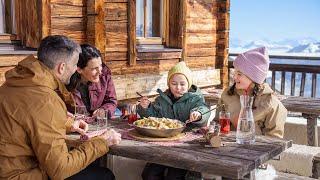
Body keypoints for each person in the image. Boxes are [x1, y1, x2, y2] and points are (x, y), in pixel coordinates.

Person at [0, 35, 121, 180]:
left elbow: (28, 118)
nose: (75, 69)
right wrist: (102, 142)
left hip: (7, 170)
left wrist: (68, 124)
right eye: (75, 64)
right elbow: (60, 169)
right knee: (104, 175)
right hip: (22, 175)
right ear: (62, 67)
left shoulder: (11, 86)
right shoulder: (46, 99)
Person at [137, 61, 210, 180]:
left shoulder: (195, 99)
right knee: (149, 174)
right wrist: (146, 108)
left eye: (182, 84)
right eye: (174, 83)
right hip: (163, 145)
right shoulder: (162, 100)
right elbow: (153, 116)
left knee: (174, 176)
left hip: (186, 146)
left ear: (188, 84)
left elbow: (204, 109)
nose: (178, 87)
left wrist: (199, 114)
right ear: (169, 84)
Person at [215, 47, 287, 138]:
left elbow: (274, 139)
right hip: (227, 147)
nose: (234, 77)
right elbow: (216, 122)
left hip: (257, 150)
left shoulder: (271, 104)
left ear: (253, 78)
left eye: (239, 74)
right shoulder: (227, 94)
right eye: (235, 72)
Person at [66, 44, 117, 119]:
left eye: (100, 65)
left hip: (98, 124)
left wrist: (103, 110)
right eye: (94, 68)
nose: (100, 72)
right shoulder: (66, 82)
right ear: (79, 69)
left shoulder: (105, 75)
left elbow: (111, 101)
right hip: (76, 126)